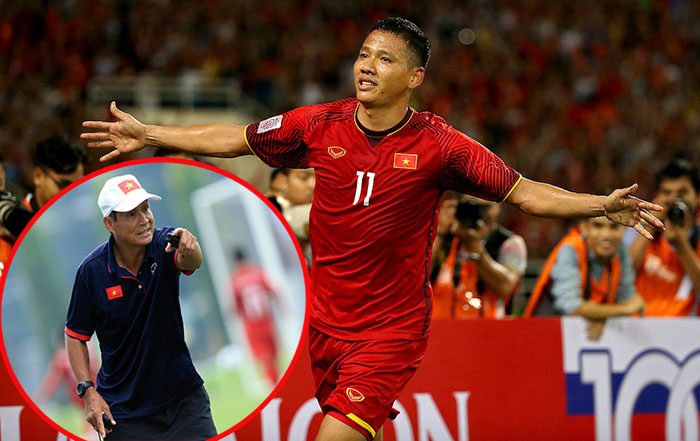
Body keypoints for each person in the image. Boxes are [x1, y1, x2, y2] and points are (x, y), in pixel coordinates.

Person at [81, 17, 663, 441]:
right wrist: (149, 133)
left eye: (384, 59)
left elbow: (525, 192)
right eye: (364, 54)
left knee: (334, 436)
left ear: (415, 77)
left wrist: (599, 204)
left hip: (391, 329)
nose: (366, 65)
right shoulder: (319, 125)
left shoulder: (441, 146)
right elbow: (237, 138)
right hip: (327, 323)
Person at [64, 174, 217, 440]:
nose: (144, 219)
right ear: (109, 223)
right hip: (124, 415)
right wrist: (88, 392)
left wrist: (190, 246)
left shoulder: (164, 243)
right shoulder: (91, 272)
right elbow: (75, 335)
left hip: (184, 402)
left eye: (145, 208)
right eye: (131, 214)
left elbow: (191, 261)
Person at [523, 217, 646, 339]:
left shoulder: (621, 250)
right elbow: (570, 307)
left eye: (614, 227)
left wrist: (601, 316)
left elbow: (627, 298)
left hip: (582, 337)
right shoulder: (571, 248)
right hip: (543, 333)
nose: (606, 235)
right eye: (598, 226)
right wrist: (622, 310)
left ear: (624, 230)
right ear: (584, 228)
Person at [432, 195, 527, 318]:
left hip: (488, 326)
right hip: (440, 325)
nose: (478, 212)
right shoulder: (444, 236)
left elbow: (505, 286)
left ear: (499, 207)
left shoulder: (510, 242)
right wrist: (439, 232)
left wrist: (475, 248)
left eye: (486, 207)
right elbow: (419, 276)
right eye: (471, 205)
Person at [628, 159, 700, 316]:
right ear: (656, 196)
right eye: (667, 193)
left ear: (697, 197)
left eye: (682, 194)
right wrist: (650, 226)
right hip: (638, 323)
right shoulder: (637, 227)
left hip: (684, 328)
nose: (673, 200)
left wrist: (681, 244)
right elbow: (623, 272)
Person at [229, 248, 286, 386]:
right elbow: (273, 292)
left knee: (264, 356)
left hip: (252, 324)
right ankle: (276, 380)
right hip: (267, 320)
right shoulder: (258, 273)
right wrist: (283, 308)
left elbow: (234, 306)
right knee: (273, 353)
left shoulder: (235, 280)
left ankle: (274, 383)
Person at [24, 135, 85, 212]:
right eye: (63, 185)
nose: (72, 195)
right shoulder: (17, 216)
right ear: (38, 176)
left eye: (78, 186)